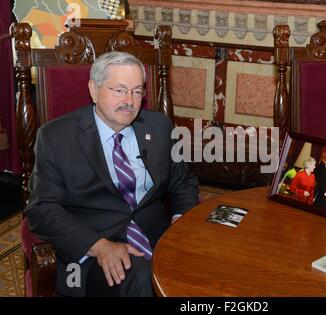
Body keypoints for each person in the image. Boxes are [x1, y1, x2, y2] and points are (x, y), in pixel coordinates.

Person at [24, 52, 199, 297]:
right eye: (119, 90)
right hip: (93, 253)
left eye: (138, 91)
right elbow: (41, 209)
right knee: (143, 278)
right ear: (93, 90)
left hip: (157, 239)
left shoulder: (159, 126)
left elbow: (183, 181)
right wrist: (98, 246)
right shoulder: (56, 137)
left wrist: (181, 219)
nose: (130, 100)